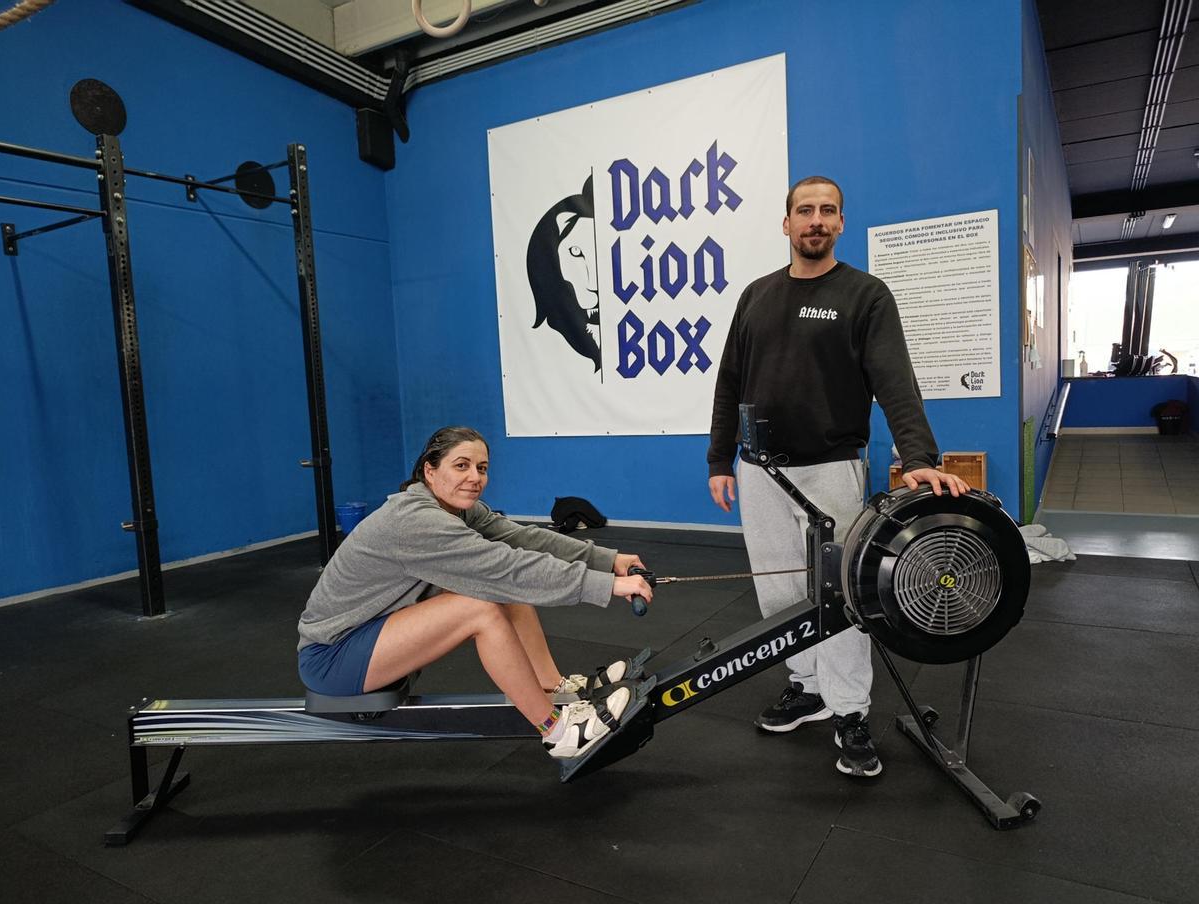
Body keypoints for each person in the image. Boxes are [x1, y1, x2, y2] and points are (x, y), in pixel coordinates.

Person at [706, 176, 969, 777]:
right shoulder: (755, 296)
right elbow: (729, 383)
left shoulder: (864, 295)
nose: (815, 220)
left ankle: (850, 710)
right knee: (779, 594)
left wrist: (920, 458)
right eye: (805, 211)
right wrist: (719, 460)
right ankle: (809, 688)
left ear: (841, 223)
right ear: (786, 223)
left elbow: (894, 382)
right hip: (761, 472)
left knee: (843, 599)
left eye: (827, 211)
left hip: (833, 471)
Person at [298, 426, 654, 761]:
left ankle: (553, 686)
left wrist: (608, 560)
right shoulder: (416, 520)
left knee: (500, 589)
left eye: (481, 468)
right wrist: (606, 585)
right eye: (461, 466)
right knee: (479, 605)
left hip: (374, 635)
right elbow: (506, 567)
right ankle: (558, 731)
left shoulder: (454, 509)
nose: (475, 477)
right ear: (430, 471)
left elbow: (524, 539)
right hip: (333, 657)